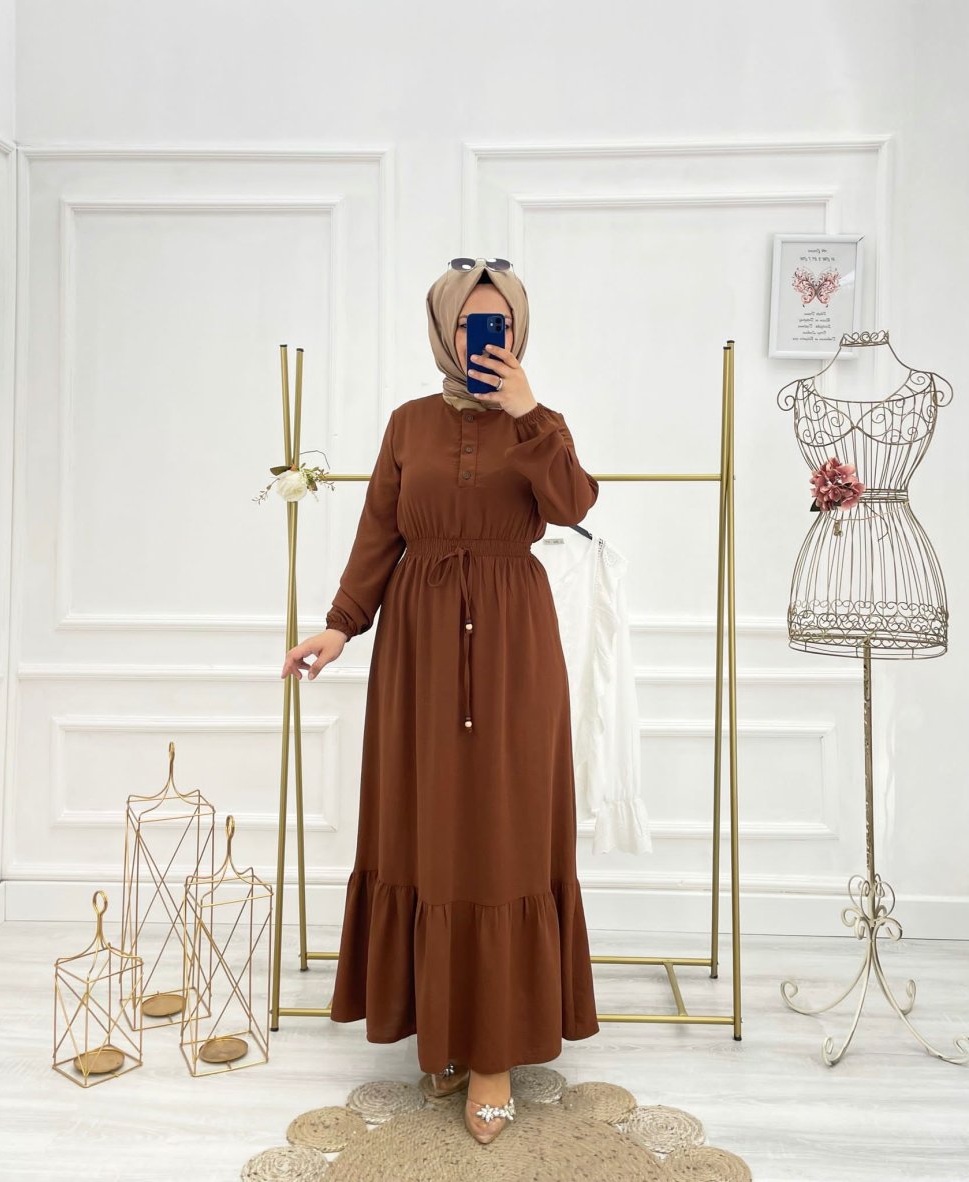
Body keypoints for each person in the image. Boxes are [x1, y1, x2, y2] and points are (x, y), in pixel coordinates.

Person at [282, 257, 600, 1145]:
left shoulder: (542, 422)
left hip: (512, 649)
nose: (482, 338)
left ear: (519, 331)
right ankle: (442, 1026)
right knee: (427, 829)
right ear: (443, 329)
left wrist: (527, 412)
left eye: (498, 323)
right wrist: (340, 624)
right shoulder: (408, 423)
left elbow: (573, 505)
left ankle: (494, 1051)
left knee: (502, 831)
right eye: (468, 323)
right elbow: (379, 533)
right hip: (417, 649)